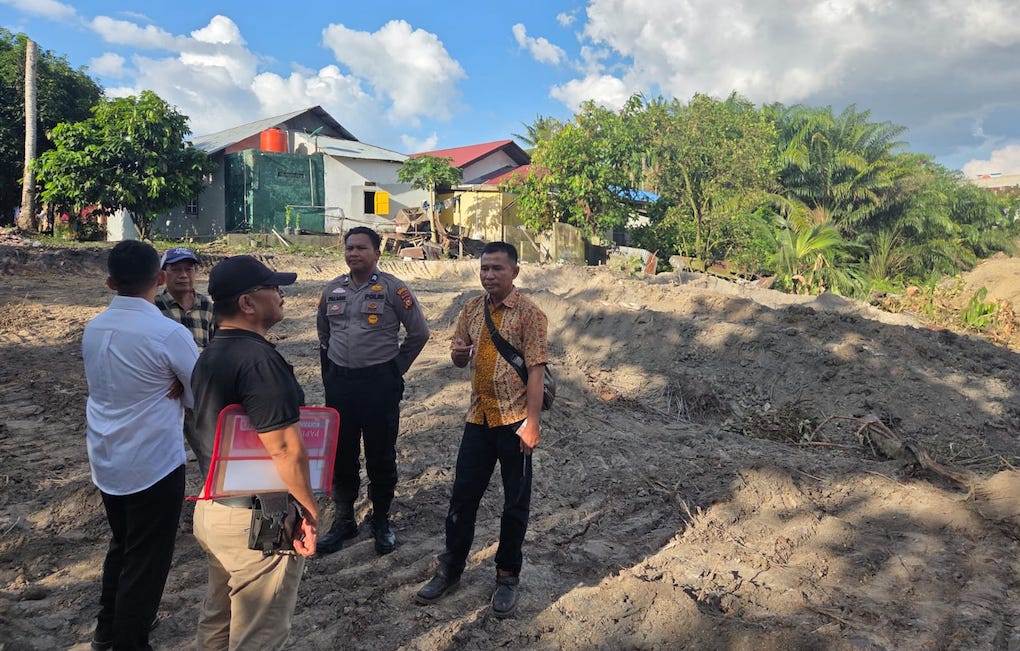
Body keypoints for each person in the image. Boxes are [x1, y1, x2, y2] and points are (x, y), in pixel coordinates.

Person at [189, 255, 319, 650]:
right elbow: (285, 449)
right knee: (259, 637)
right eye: (274, 288)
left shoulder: (211, 354)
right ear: (247, 303)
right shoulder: (259, 361)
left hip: (215, 510)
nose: (282, 295)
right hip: (258, 521)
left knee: (218, 623)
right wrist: (310, 512)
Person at [415, 241, 548, 618]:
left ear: (515, 272)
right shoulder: (472, 309)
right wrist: (458, 355)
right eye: (485, 268)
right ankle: (451, 570)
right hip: (478, 419)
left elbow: (537, 372)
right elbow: (460, 355)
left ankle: (507, 576)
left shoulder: (530, 315)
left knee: (515, 505)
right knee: (462, 499)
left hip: (515, 423)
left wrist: (533, 424)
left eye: (498, 269)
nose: (490, 275)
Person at [82, 240, 200, 651]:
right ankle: (129, 641)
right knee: (147, 560)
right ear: (162, 279)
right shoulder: (169, 333)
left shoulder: (93, 328)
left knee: (123, 544)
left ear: (110, 282)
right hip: (154, 462)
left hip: (106, 457)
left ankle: (106, 631)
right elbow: (198, 395)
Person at [316, 226, 430, 555]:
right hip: (341, 385)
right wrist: (332, 371)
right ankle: (343, 520)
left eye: (361, 248)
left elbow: (419, 333)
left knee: (380, 455)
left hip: (379, 384)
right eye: (350, 248)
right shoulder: (332, 289)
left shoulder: (394, 289)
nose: (354, 253)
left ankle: (381, 519)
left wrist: (395, 368)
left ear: (377, 253)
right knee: (342, 454)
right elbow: (324, 332)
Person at [154, 247, 215, 350]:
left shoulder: (206, 305)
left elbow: (214, 345)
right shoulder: (155, 306)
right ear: (163, 274)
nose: (183, 275)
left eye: (188, 269)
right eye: (176, 270)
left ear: (195, 271)